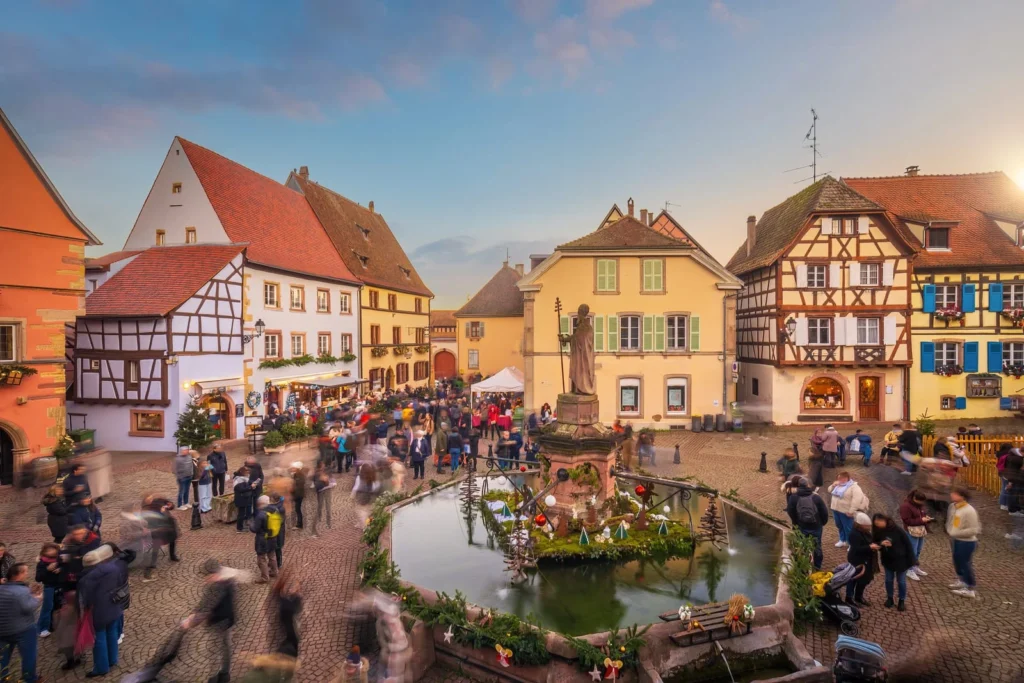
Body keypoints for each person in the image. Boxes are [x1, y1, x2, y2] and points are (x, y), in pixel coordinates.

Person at [184, 558, 242, 683]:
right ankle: (225, 674)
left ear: (213, 573)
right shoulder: (228, 580)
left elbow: (207, 606)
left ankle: (215, 677)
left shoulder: (216, 587)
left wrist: (191, 621)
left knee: (215, 650)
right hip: (229, 619)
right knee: (226, 646)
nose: (206, 578)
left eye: (208, 575)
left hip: (218, 621)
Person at [79, 543, 128, 677]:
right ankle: (112, 659)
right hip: (113, 606)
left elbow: (86, 597)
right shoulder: (114, 567)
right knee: (112, 632)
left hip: (99, 610)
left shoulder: (88, 577)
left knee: (99, 638)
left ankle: (101, 668)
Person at [0, 562, 41, 682]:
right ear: (19, 574)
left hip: (3, 630)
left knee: (3, 657)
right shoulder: (21, 591)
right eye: (26, 572)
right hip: (23, 629)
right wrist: (37, 598)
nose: (27, 574)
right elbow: (28, 607)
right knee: (28, 656)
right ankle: (30, 679)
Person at [872, 513, 915, 611]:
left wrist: (912, 561)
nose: (877, 525)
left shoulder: (898, 530)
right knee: (888, 580)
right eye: (876, 524)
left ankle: (901, 600)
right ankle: (890, 598)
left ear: (885, 521)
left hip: (901, 561)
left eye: (879, 523)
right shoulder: (878, 531)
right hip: (888, 560)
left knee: (901, 581)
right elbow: (874, 542)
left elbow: (908, 545)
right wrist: (881, 544)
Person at [786, 477, 829, 569]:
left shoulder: (793, 497)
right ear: (808, 485)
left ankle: (803, 565)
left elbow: (790, 511)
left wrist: (796, 522)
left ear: (798, 486)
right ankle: (817, 566)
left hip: (801, 526)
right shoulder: (816, 497)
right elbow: (824, 512)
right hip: (816, 526)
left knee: (801, 545)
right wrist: (822, 523)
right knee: (817, 546)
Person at [946, 486, 981, 599]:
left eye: (955, 494)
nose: (952, 495)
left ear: (962, 497)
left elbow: (974, 529)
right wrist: (950, 531)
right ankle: (962, 580)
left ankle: (970, 587)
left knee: (965, 563)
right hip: (955, 540)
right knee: (957, 561)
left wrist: (955, 533)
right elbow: (950, 520)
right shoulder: (953, 506)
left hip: (966, 542)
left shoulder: (969, 511)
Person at [141, 496, 180, 581]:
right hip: (157, 528)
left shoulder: (159, 500)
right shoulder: (147, 509)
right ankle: (152, 563)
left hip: (168, 525)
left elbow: (171, 505)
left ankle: (172, 555)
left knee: (172, 539)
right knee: (155, 544)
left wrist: (170, 505)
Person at [827, 471, 869, 548]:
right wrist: (833, 485)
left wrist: (851, 511)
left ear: (848, 478)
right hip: (836, 509)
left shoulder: (854, 487)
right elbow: (829, 490)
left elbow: (856, 500)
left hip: (846, 511)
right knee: (839, 525)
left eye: (843, 478)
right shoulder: (838, 485)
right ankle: (842, 540)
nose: (841, 480)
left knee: (848, 528)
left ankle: (851, 544)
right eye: (839, 478)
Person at [898, 489, 933, 582]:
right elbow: (907, 521)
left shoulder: (919, 505)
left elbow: (921, 514)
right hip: (911, 531)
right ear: (914, 498)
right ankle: (909, 569)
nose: (922, 503)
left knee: (918, 550)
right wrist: (922, 520)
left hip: (920, 530)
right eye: (920, 501)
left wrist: (926, 518)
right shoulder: (905, 506)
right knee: (912, 551)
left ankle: (915, 566)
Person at [844, 512, 876, 607]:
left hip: (867, 559)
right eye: (867, 526)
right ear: (860, 525)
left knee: (864, 579)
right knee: (853, 579)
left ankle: (858, 596)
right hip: (857, 560)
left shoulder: (865, 532)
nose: (869, 528)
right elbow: (857, 548)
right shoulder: (854, 534)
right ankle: (849, 597)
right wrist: (870, 547)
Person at [270, 568, 303, 657]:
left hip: (284, 633)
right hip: (288, 635)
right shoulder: (287, 604)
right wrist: (297, 590)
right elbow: (294, 602)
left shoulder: (280, 600)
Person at [252, 496, 280, 584]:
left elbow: (254, 529)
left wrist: (251, 525)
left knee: (261, 558)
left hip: (263, 540)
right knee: (272, 556)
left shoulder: (261, 515)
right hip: (273, 537)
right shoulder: (275, 510)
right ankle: (275, 572)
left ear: (261, 504)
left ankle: (265, 577)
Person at [35, 542, 61, 637]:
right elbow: (38, 578)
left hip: (59, 586)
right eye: (49, 550)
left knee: (57, 606)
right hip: (49, 587)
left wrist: (60, 570)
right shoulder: (42, 563)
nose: (52, 552)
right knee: (47, 607)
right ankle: (42, 628)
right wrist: (47, 570)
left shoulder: (59, 560)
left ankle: (51, 625)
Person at [311, 461, 332, 537]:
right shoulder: (320, 473)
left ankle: (320, 517)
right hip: (322, 491)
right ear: (321, 466)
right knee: (322, 505)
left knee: (320, 505)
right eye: (323, 465)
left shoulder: (316, 472)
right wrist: (325, 480)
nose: (324, 466)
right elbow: (327, 482)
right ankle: (323, 520)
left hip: (319, 491)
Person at [234, 467, 255, 533]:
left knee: (242, 514)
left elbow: (246, 485)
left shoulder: (244, 479)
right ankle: (239, 529)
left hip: (243, 498)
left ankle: (241, 527)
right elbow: (241, 489)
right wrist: (251, 487)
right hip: (240, 499)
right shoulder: (238, 480)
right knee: (241, 514)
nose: (248, 474)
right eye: (247, 472)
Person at [290, 463, 306, 530]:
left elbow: (299, 487)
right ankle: (299, 524)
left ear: (297, 468)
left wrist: (292, 490)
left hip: (298, 495)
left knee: (298, 509)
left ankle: (299, 525)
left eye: (294, 468)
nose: (292, 469)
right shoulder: (296, 475)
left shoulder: (300, 476)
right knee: (297, 509)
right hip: (297, 495)